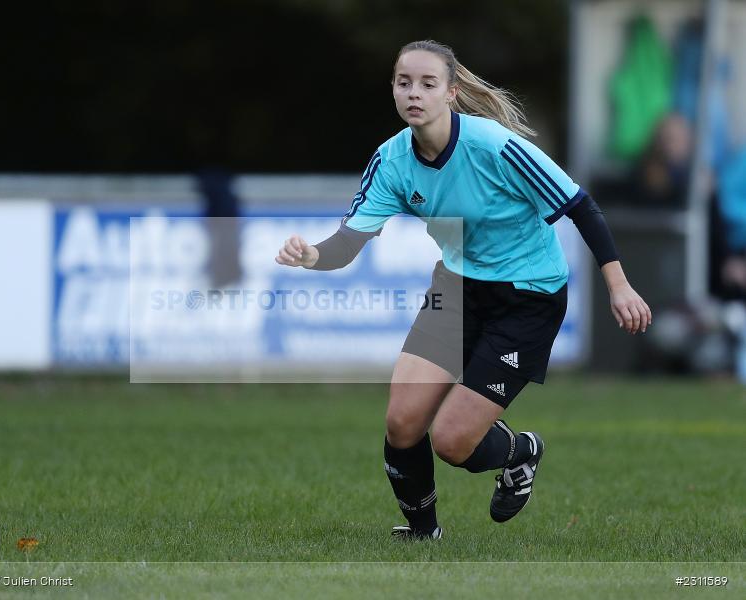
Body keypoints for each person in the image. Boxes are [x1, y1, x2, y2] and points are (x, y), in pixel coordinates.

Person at [276, 40, 651, 539]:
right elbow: (348, 243)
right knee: (403, 420)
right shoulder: (391, 160)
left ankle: (519, 452)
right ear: (392, 89)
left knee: (451, 442)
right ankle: (423, 532)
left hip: (528, 296)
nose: (414, 93)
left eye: (428, 84)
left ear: (451, 93)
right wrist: (312, 256)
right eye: (403, 82)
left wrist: (619, 286)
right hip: (456, 286)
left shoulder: (492, 146)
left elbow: (580, 205)